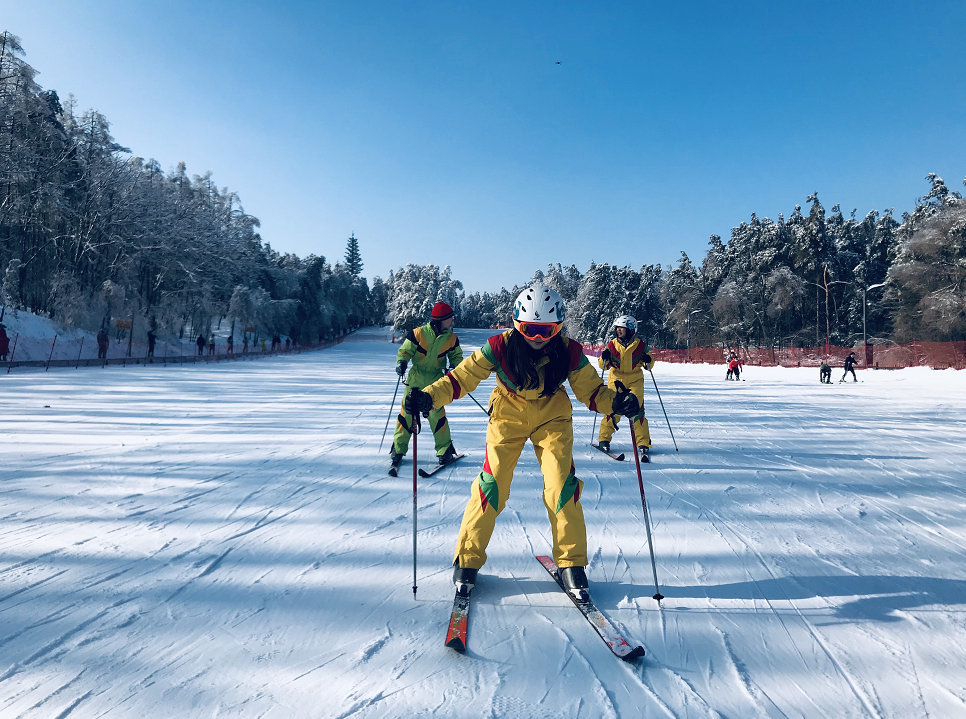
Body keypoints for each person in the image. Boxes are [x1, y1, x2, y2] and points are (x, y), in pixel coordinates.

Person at [405, 285, 640, 599]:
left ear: (558, 327)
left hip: (552, 414)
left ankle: (571, 563)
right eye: (530, 329)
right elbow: (462, 377)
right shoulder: (498, 346)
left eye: (547, 330)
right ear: (517, 324)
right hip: (508, 412)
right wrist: (428, 397)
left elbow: (592, 390)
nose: (538, 338)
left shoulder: (569, 350)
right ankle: (468, 560)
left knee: (561, 484)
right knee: (493, 484)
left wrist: (617, 403)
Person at [390, 301, 463, 473]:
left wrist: (455, 366)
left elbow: (457, 356)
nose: (452, 320)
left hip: (436, 381)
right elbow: (405, 351)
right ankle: (398, 450)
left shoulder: (451, 338)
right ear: (441, 319)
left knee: (437, 416)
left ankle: (444, 452)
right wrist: (401, 362)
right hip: (415, 380)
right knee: (407, 414)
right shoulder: (418, 333)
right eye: (450, 317)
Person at [596, 315, 654, 463]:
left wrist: (648, 361)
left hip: (635, 379)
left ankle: (643, 443)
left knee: (637, 409)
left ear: (631, 330)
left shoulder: (640, 345)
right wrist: (604, 357)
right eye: (617, 329)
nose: (618, 331)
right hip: (616, 379)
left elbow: (649, 364)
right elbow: (602, 365)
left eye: (622, 329)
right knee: (613, 409)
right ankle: (604, 439)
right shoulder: (612, 344)